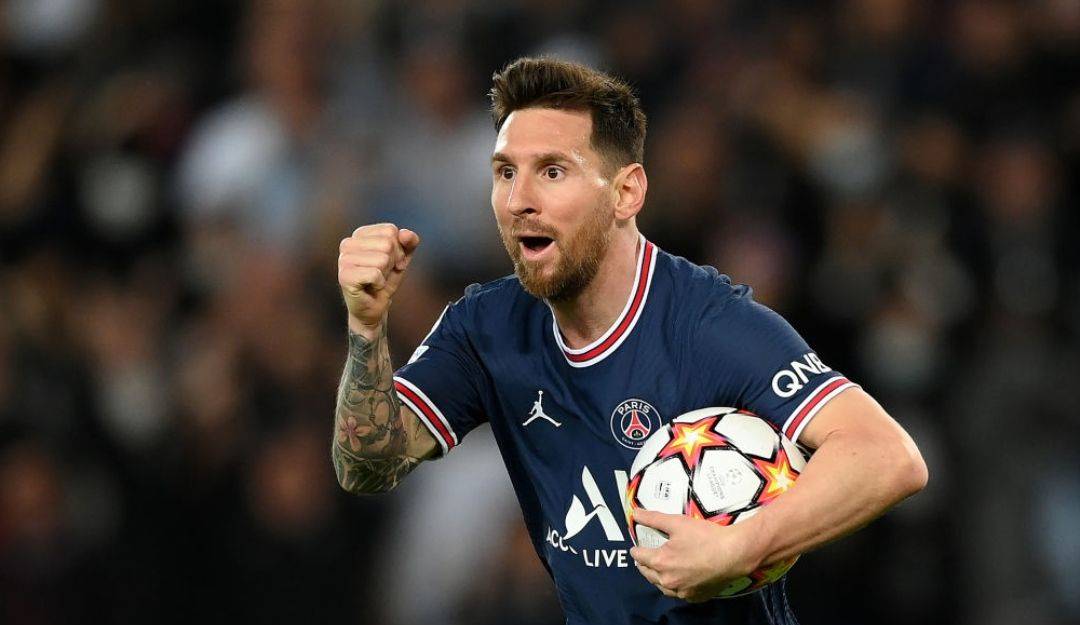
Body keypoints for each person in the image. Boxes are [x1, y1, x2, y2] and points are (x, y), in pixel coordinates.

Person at [332, 57, 928, 625]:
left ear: (626, 193)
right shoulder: (486, 328)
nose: (519, 201)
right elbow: (367, 465)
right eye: (505, 172)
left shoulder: (708, 324)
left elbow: (888, 458)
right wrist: (365, 327)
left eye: (553, 171)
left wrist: (742, 547)